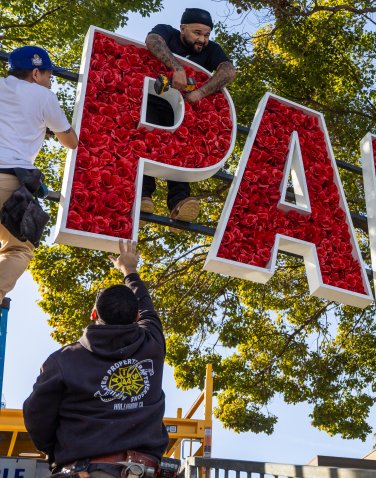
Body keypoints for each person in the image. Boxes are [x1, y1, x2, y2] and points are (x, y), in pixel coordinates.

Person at [24, 240, 168, 477]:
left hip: (85, 469)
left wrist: (61, 450)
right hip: (143, 471)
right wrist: (129, 271)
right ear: (136, 316)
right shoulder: (151, 344)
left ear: (93, 314)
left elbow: (37, 416)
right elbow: (147, 308)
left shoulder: (62, 361)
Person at [141, 7, 237, 226]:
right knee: (146, 144)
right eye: (197, 33)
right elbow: (153, 40)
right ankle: (142, 196)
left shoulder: (212, 50)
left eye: (206, 35)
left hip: (184, 114)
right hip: (151, 103)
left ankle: (180, 202)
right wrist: (176, 67)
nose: (202, 39)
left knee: (181, 151)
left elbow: (228, 71)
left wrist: (201, 92)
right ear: (182, 28)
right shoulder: (167, 32)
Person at [0, 46, 77, 301]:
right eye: (48, 76)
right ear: (35, 73)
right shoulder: (43, 97)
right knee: (19, 248)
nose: (50, 81)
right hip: (8, 178)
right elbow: (70, 142)